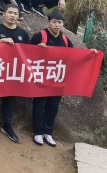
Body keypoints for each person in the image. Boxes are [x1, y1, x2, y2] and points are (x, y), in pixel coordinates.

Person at [29, 12, 79, 147]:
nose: (57, 25)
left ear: (63, 24)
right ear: (49, 22)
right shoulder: (40, 36)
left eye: (60, 23)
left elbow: (73, 56)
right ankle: (38, 132)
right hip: (41, 79)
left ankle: (48, 132)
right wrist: (39, 50)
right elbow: (27, 54)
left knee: (53, 107)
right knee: (39, 106)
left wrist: (91, 54)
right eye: (54, 22)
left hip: (57, 79)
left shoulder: (65, 40)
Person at [0, 4, 28, 143]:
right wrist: (0, 41)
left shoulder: (23, 33)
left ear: (18, 16)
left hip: (12, 72)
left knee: (9, 99)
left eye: (15, 13)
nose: (12, 15)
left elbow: (28, 53)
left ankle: (7, 126)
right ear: (4, 14)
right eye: (10, 12)